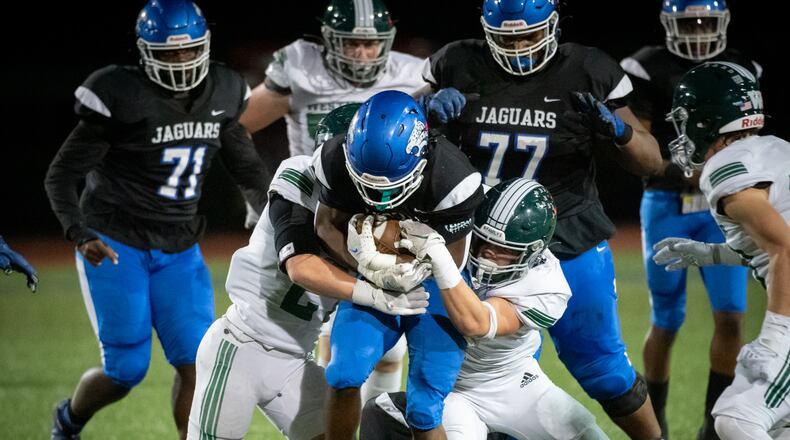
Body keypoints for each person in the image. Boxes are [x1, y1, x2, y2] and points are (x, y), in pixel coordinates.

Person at [420, 0, 664, 438]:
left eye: (530, 36)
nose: (518, 47)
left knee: (604, 370)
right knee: (496, 377)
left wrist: (618, 130)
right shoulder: (456, 62)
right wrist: (425, 111)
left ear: (553, 24)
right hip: (480, 243)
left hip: (567, 233)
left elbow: (651, 162)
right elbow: (408, 136)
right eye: (507, 38)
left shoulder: (588, 68)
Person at [44, 1, 269, 438]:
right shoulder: (121, 93)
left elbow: (245, 165)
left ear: (205, 47)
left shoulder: (223, 89)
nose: (181, 61)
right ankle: (68, 419)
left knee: (196, 360)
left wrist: (264, 211)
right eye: (168, 53)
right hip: (115, 243)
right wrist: (78, 232)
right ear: (145, 52)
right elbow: (61, 175)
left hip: (180, 247)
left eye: (188, 51)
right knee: (126, 370)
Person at [239, 0, 427, 400]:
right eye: (350, 44)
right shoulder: (300, 66)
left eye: (371, 44)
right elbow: (237, 129)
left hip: (385, 213)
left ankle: (374, 418)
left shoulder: (414, 74)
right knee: (326, 335)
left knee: (387, 333)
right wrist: (260, 196)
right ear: (327, 40)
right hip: (318, 210)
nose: (361, 54)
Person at [186, 149, 429, 439]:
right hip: (242, 345)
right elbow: (301, 267)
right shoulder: (298, 179)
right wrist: (375, 294)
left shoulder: (370, 210)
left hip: (295, 360)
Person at [359, 178, 609, 439]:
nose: (489, 254)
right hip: (453, 388)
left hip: (514, 382)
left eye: (504, 250)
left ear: (533, 253)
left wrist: (440, 258)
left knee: (588, 434)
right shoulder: (458, 228)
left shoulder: (547, 283)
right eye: (484, 242)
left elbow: (477, 324)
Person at [619, 2, 762, 437]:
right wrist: (692, 169)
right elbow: (643, 151)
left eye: (705, 21)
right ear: (668, 24)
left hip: (721, 207)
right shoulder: (645, 67)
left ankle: (711, 424)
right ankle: (656, 418)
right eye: (689, 22)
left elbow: (748, 140)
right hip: (668, 204)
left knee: (732, 316)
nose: (698, 30)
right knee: (666, 319)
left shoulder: (742, 67)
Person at [313, 90, 484, 439]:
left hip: (433, 284)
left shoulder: (453, 178)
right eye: (368, 186)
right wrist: (369, 266)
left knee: (424, 407)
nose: (381, 199)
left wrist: (405, 272)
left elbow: (453, 261)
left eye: (393, 186)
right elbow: (326, 225)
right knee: (342, 374)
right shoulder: (333, 159)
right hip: (372, 277)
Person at [652, 61, 790, 439]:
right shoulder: (774, 149)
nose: (681, 130)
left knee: (737, 418)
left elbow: (784, 246)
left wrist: (776, 338)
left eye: (686, 118)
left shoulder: (725, 167)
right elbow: (772, 245)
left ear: (706, 119)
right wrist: (713, 254)